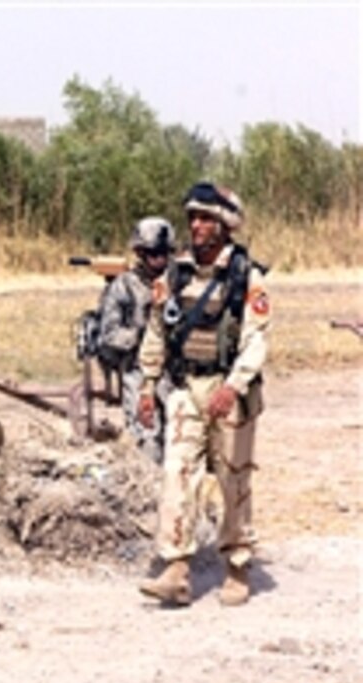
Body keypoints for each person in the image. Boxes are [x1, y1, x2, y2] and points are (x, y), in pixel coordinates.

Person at [137, 182, 269, 607]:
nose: (196, 225)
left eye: (206, 218)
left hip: (230, 391)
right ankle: (176, 568)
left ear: (226, 224)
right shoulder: (174, 275)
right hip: (184, 391)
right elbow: (157, 330)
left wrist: (234, 385)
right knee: (176, 472)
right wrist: (145, 385)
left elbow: (256, 339)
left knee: (234, 479)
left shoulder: (247, 276)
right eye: (192, 217)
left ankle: (237, 564)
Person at [98, 216, 174, 464]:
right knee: (148, 442)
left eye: (163, 253)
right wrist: (143, 336)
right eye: (152, 253)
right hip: (137, 372)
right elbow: (108, 335)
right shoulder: (123, 287)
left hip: (175, 373)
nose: (159, 259)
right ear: (140, 253)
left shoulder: (178, 281)